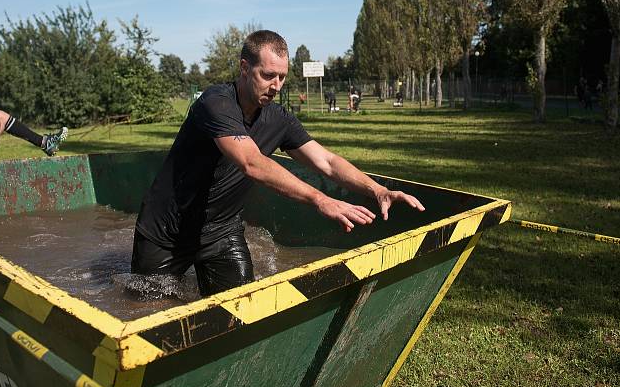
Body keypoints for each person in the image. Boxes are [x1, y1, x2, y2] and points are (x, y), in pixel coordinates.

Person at [132, 30, 425, 297]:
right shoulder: (216, 103)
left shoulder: (278, 119)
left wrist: (377, 190)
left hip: (221, 232)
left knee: (240, 313)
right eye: (268, 75)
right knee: (146, 312)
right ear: (245, 68)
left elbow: (327, 161)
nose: (276, 86)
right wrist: (320, 199)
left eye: (282, 77)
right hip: (167, 232)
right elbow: (251, 162)